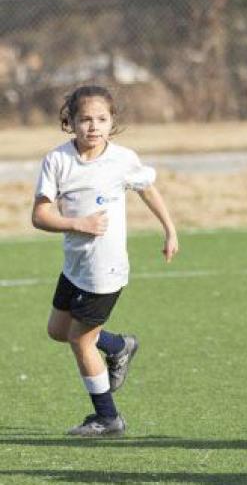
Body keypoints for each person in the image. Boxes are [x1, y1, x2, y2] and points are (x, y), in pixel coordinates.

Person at [32, 85, 178, 437]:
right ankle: (117, 345)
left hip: (105, 270)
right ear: (70, 121)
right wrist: (77, 224)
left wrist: (170, 230)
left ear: (113, 122)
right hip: (75, 265)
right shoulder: (57, 160)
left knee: (80, 341)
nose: (93, 126)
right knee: (58, 331)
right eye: (85, 119)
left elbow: (147, 188)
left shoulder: (123, 159)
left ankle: (107, 417)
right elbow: (39, 216)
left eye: (101, 119)